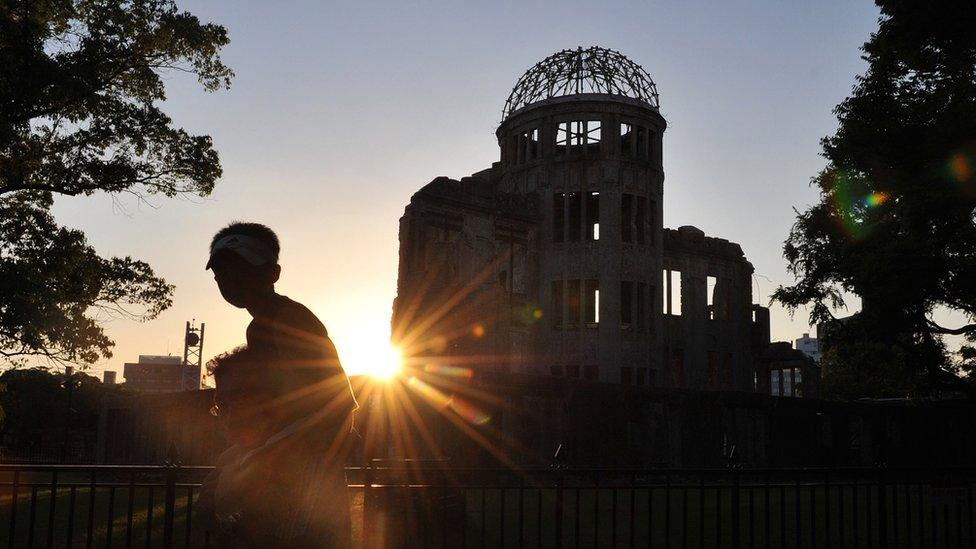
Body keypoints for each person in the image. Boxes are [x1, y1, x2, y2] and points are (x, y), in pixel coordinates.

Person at [196, 222, 358, 548]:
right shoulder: (263, 325)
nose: (228, 281)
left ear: (273, 272)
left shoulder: (288, 320)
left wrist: (261, 462)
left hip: (302, 476)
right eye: (221, 274)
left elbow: (334, 406)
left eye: (241, 270)